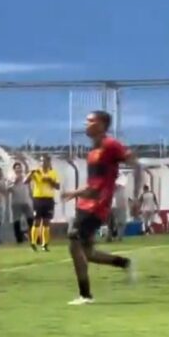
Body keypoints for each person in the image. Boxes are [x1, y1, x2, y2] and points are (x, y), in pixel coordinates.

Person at [61, 110, 138, 305]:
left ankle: (85, 295)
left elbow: (136, 166)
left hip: (97, 206)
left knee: (74, 239)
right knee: (87, 253)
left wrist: (136, 197)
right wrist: (74, 193)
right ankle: (123, 262)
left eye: (90, 121)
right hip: (86, 204)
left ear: (102, 125)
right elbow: (93, 185)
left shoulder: (111, 145)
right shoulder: (92, 153)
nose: (86, 124)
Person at [27, 155, 59, 251]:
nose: (43, 163)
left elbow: (57, 186)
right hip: (38, 199)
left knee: (46, 222)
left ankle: (44, 244)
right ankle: (33, 243)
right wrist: (30, 173)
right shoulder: (36, 172)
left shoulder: (53, 173)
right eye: (41, 161)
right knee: (36, 221)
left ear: (49, 162)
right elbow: (25, 181)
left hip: (49, 199)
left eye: (45, 161)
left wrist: (50, 180)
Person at [8, 162, 34, 244]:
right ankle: (19, 239)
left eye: (20, 168)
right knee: (17, 221)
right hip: (16, 202)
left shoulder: (25, 177)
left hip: (26, 201)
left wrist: (32, 198)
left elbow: (29, 188)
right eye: (17, 168)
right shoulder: (10, 178)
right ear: (14, 169)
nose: (19, 169)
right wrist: (15, 181)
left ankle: (33, 237)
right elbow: (8, 189)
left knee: (30, 219)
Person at [107, 177, 129, 243]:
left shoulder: (121, 190)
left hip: (118, 207)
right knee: (111, 223)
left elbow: (124, 199)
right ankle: (110, 237)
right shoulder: (110, 190)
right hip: (112, 208)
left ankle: (119, 237)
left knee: (120, 223)